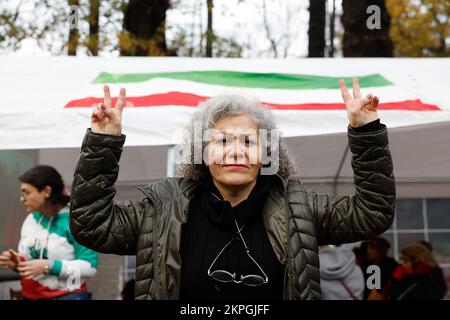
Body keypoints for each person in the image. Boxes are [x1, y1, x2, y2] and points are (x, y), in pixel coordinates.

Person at [69, 78, 396, 300]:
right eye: (222, 141)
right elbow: (93, 225)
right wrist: (104, 142)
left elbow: (371, 213)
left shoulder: (298, 208)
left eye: (248, 141)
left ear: (266, 153)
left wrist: (366, 133)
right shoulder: (163, 207)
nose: (236, 151)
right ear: (201, 151)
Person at [0, 165, 98, 300]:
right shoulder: (31, 219)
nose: (22, 199)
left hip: (67, 296)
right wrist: (17, 263)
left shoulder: (78, 222)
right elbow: (30, 261)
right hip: (28, 296)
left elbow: (90, 267)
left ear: (46, 191)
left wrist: (48, 266)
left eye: (27, 193)